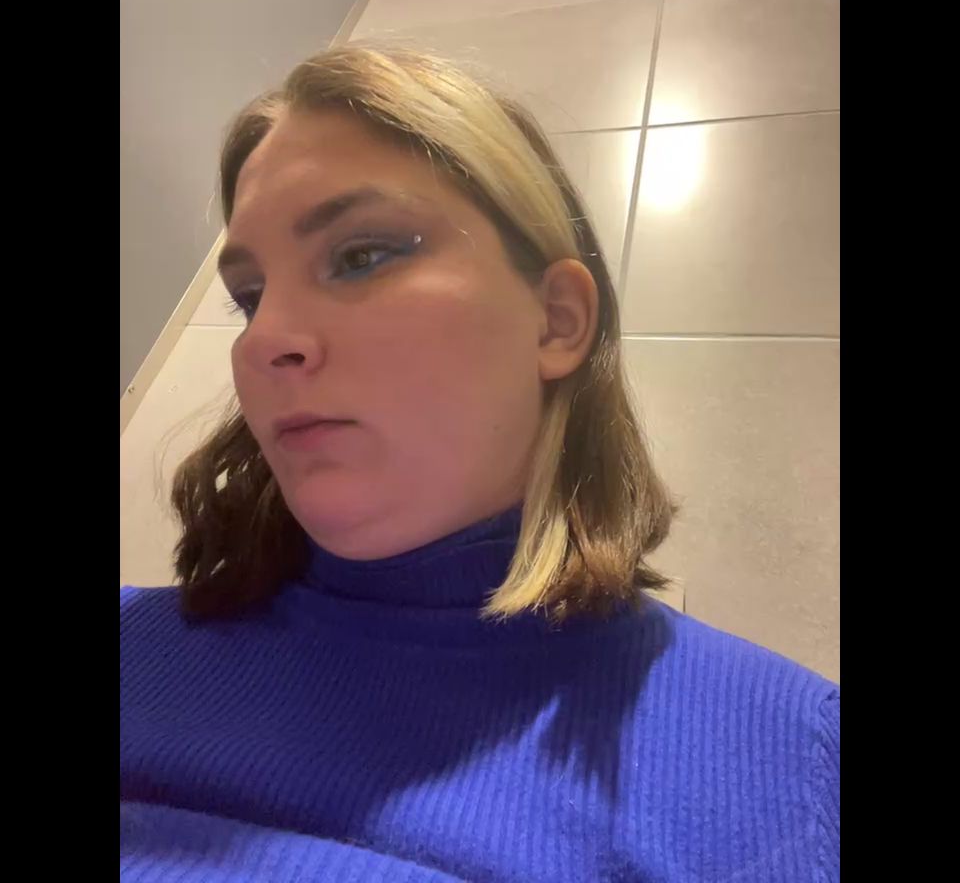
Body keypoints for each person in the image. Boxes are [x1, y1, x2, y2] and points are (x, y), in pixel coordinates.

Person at [120, 44, 839, 882]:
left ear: (556, 320)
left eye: (360, 255)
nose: (264, 340)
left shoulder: (793, 775)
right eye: (250, 298)